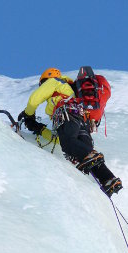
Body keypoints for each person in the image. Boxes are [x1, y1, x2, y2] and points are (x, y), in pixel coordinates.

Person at [18, 67, 122, 197]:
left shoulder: (55, 82)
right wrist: (40, 129)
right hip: (82, 121)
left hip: (68, 113)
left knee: (73, 146)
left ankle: (94, 161)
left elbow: (34, 99)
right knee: (82, 152)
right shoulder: (72, 90)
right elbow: (59, 139)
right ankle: (108, 178)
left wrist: (28, 115)